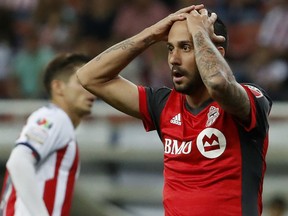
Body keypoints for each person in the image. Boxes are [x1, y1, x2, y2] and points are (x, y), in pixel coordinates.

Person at [76, 4, 272, 216]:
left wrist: (199, 31)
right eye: (171, 48)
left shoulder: (249, 99)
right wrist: (150, 34)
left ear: (219, 53)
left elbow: (217, 83)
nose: (173, 59)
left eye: (186, 47)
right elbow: (89, 77)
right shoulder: (164, 104)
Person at [0, 53, 96, 216]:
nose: (91, 92)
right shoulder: (54, 117)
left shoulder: (59, 123)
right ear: (58, 87)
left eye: (92, 84)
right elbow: (18, 162)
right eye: (81, 83)